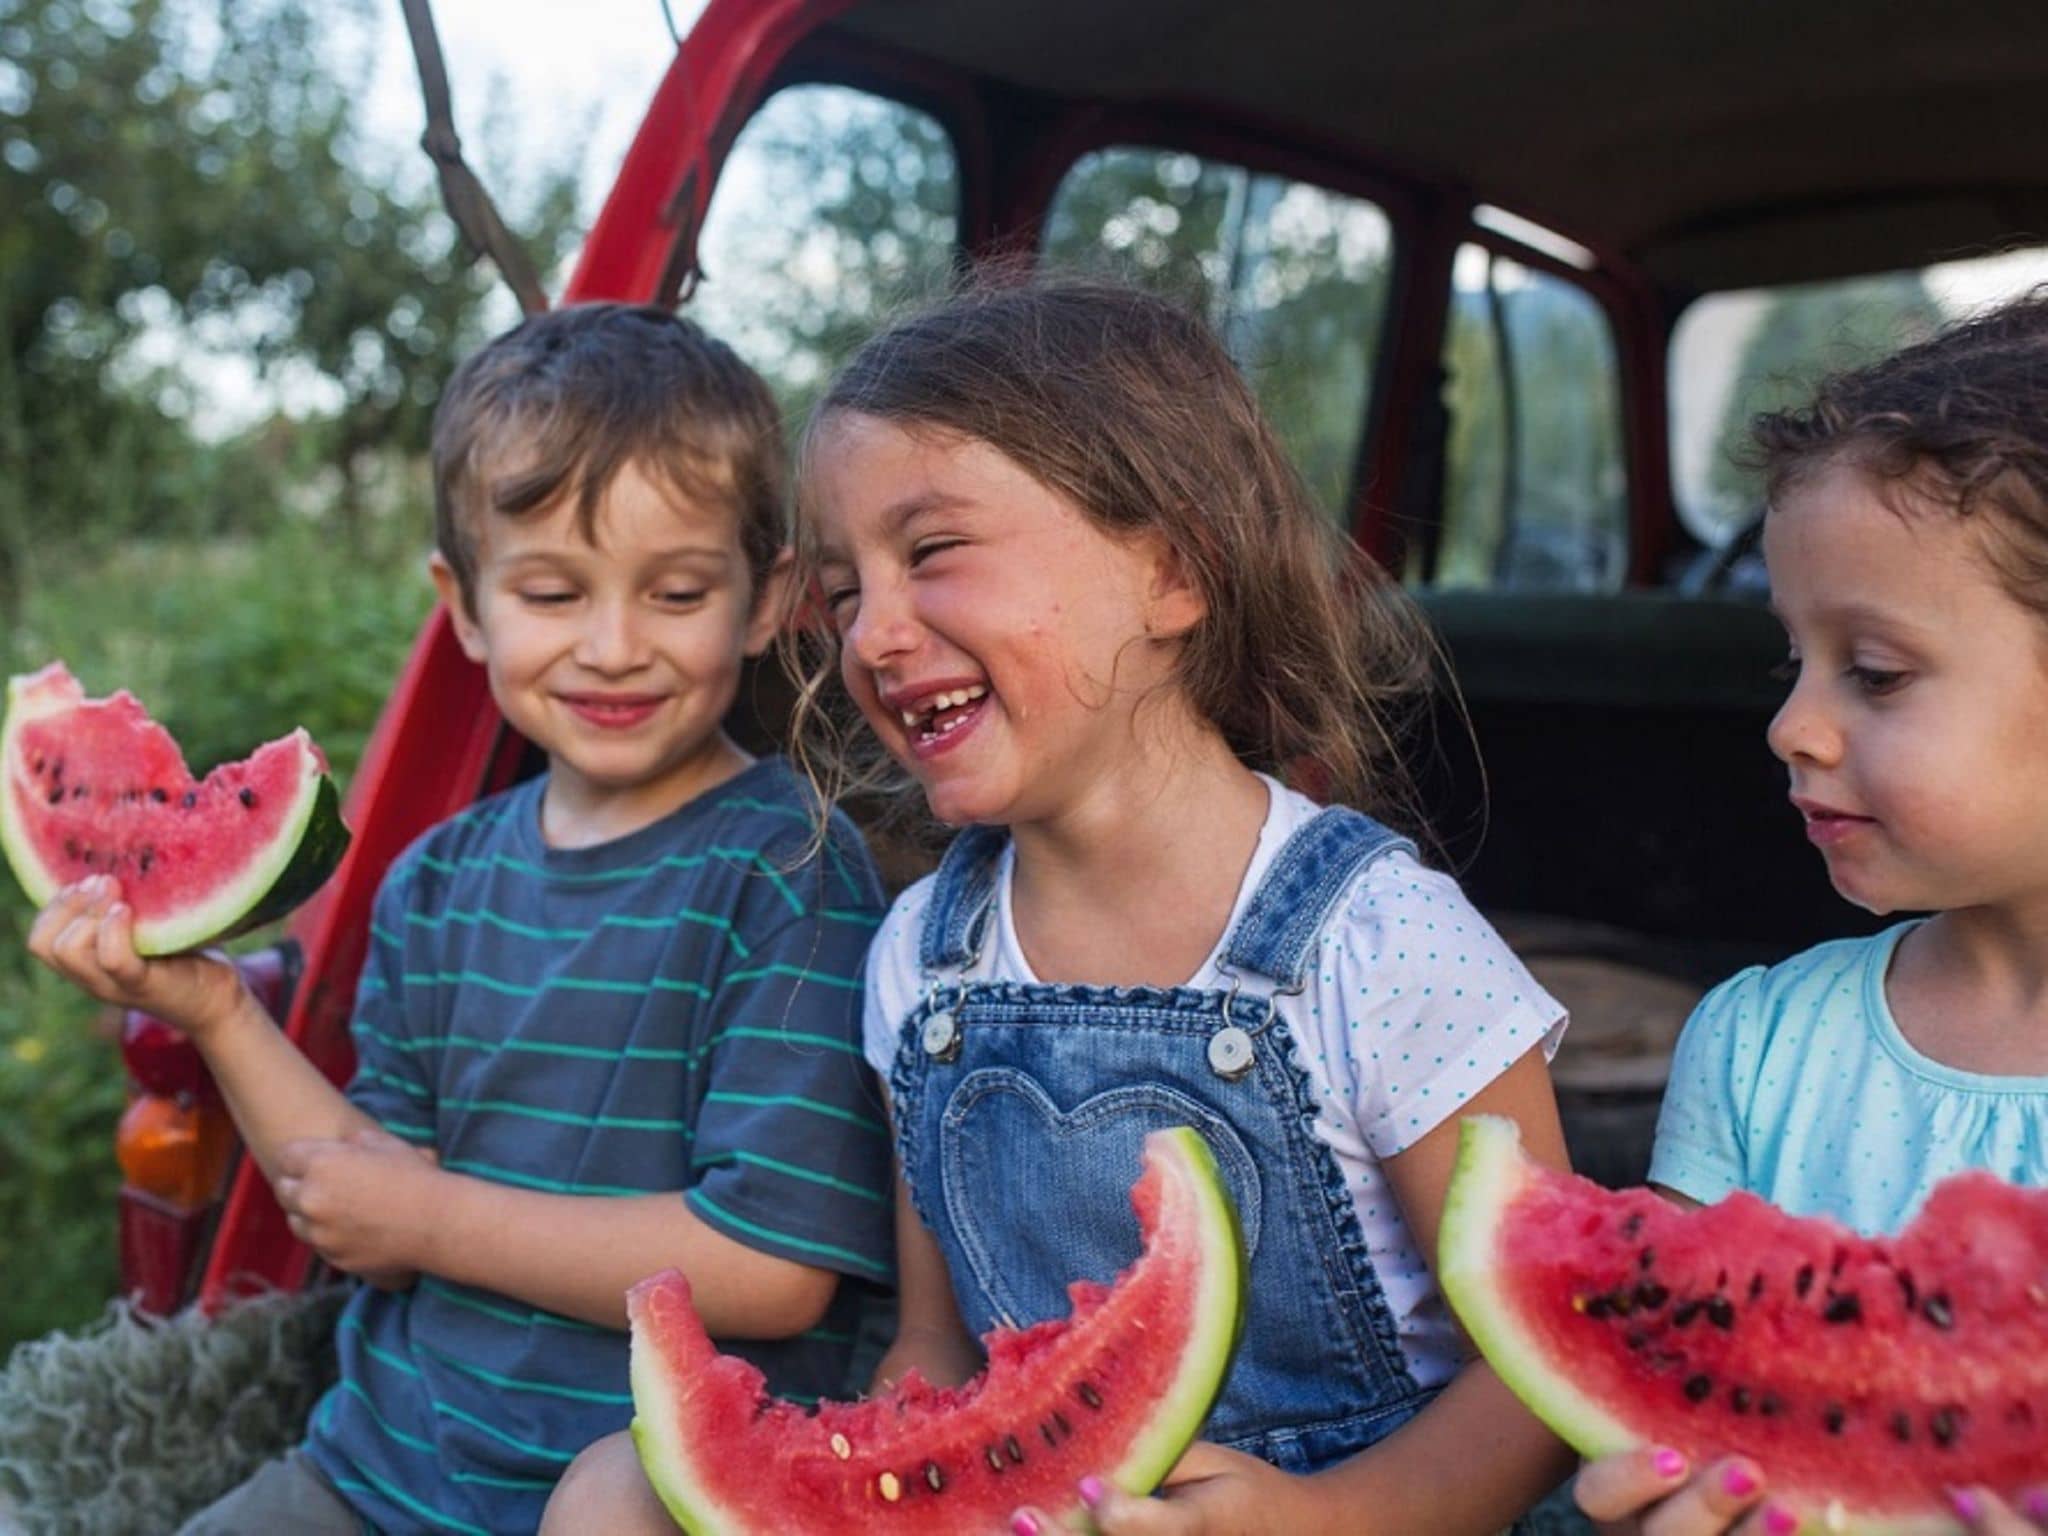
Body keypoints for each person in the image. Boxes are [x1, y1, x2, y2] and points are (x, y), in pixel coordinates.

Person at [542, 275, 1578, 1535]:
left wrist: (1332, 1518)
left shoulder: (1380, 942)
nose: (872, 634)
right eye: (844, 587)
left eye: (929, 554)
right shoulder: (920, 957)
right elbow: (931, 1353)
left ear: (1173, 570)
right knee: (613, 1492)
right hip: (1028, 1512)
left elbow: (1539, 1369)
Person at [28, 302, 894, 1535]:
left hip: (652, 1498)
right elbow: (365, 1221)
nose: (612, 644)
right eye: (550, 590)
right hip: (376, 1478)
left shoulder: (791, 872)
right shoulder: (433, 882)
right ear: (468, 605)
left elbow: (771, 1271)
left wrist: (434, 1216)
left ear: (764, 603)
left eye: (676, 591)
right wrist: (214, 1009)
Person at [1573, 293, 2048, 1536]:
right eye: (1790, 660)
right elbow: (1667, 1400)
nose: (1790, 726)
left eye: (1874, 673)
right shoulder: (1757, 1045)